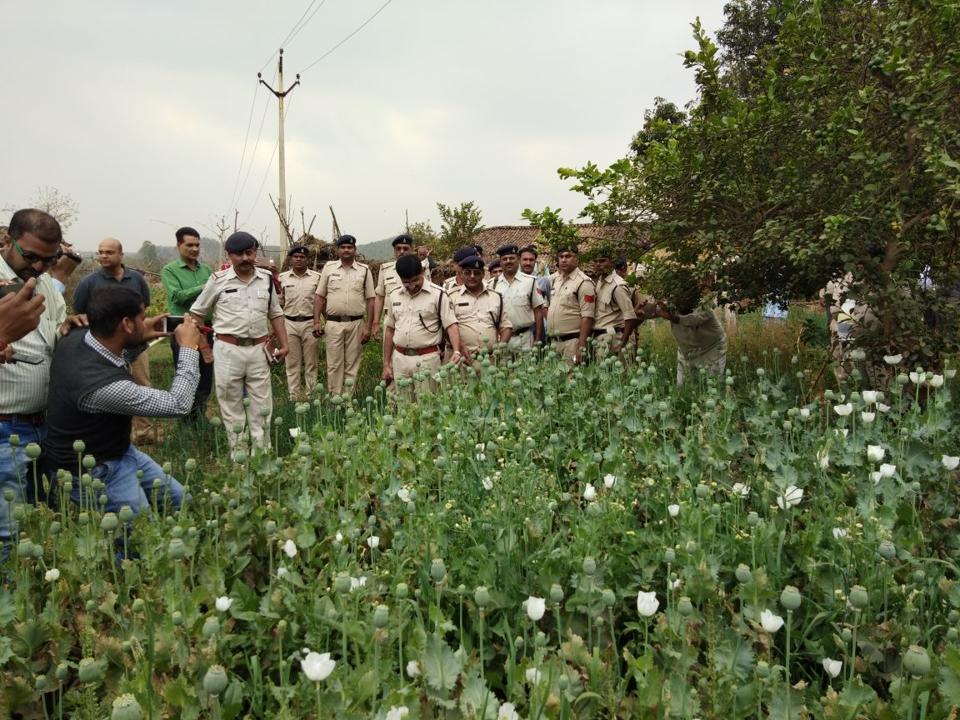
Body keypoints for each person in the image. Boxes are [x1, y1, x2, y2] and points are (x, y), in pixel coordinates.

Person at [45, 287, 201, 517]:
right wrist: (189, 348)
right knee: (140, 529)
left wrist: (139, 339)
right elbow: (178, 404)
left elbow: (110, 358)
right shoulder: (102, 387)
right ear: (127, 324)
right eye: (141, 318)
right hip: (94, 470)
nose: (146, 322)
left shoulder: (77, 336)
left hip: (117, 450)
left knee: (181, 503)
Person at [0, 209, 85, 556]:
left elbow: (51, 334)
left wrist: (66, 329)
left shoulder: (47, 284)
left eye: (48, 260)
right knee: (7, 529)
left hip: (43, 425)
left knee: (42, 515)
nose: (37, 267)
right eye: (30, 256)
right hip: (5, 430)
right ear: (8, 240)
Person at [189, 231, 289, 452]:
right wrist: (204, 347)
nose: (244, 258)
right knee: (231, 404)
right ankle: (239, 457)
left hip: (259, 350)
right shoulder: (218, 280)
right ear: (229, 255)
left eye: (249, 253)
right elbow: (196, 314)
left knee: (262, 405)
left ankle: (262, 455)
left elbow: (275, 313)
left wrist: (284, 344)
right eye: (238, 254)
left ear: (255, 253)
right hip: (227, 350)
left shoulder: (266, 279)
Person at [72, 238, 152, 387]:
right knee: (109, 387)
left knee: (142, 386)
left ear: (121, 255)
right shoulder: (88, 283)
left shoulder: (136, 279)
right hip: (103, 349)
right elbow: (79, 314)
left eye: (109, 252)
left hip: (135, 346)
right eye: (101, 252)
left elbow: (144, 308)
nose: (103, 256)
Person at [382, 254, 463, 398]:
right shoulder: (394, 295)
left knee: (428, 403)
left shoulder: (438, 294)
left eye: (415, 280)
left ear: (423, 272)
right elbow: (389, 330)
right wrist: (386, 364)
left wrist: (456, 351)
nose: (411, 285)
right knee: (403, 405)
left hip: (427, 359)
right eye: (406, 282)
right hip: (400, 359)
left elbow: (451, 325)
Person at [161, 226, 214, 421]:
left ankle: (199, 418)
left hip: (205, 328)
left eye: (197, 245)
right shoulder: (170, 270)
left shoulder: (206, 269)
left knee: (206, 375)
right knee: (187, 373)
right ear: (178, 245)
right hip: (183, 329)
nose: (194, 249)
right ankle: (186, 420)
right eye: (189, 245)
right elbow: (177, 297)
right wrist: (205, 286)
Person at [315, 234, 376, 396]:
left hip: (356, 323)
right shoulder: (329, 268)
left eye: (350, 247)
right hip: (333, 323)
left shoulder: (364, 270)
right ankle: (335, 398)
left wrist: (368, 327)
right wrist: (316, 322)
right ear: (337, 250)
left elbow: (371, 299)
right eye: (343, 247)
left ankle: (348, 399)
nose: (346, 250)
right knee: (334, 364)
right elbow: (319, 296)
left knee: (352, 364)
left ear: (355, 250)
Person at [654, 286, 727, 384]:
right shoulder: (672, 307)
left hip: (712, 350)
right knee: (683, 387)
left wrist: (672, 317)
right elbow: (653, 311)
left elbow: (694, 319)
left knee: (713, 385)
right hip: (687, 352)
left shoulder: (704, 307)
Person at [279, 245, 321, 401]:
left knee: (311, 363)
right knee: (292, 363)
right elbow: (279, 304)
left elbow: (321, 302)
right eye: (295, 257)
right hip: (289, 323)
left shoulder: (316, 278)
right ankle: (294, 396)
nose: (299, 259)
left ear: (307, 260)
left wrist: (320, 323)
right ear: (290, 259)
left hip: (310, 322)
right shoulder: (282, 278)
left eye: (302, 257)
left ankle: (312, 395)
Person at [451, 255, 512, 359]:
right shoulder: (451, 297)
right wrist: (460, 346)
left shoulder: (496, 297)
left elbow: (506, 326)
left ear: (483, 274)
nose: (472, 276)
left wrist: (499, 348)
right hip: (463, 359)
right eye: (467, 273)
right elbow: (447, 328)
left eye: (476, 273)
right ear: (461, 274)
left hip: (491, 358)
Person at [546, 244, 595, 364]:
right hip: (554, 342)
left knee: (571, 375)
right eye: (561, 256)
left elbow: (587, 317)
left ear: (576, 259)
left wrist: (581, 347)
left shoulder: (583, 282)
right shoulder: (555, 281)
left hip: (572, 342)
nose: (563, 260)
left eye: (568, 256)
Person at [491, 243, 545, 348]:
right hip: (501, 340)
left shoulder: (530, 282)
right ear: (500, 262)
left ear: (518, 259)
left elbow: (538, 312)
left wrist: (537, 340)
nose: (508, 261)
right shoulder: (492, 284)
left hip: (525, 339)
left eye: (512, 258)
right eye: (504, 259)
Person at [592, 251, 639, 357]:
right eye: (595, 261)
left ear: (611, 262)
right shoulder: (600, 282)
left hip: (616, 338)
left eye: (602, 261)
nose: (598, 264)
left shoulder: (618, 286)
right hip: (601, 338)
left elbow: (630, 317)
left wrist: (622, 343)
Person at [372, 234, 414, 340]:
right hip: (390, 320)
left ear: (412, 249)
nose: (402, 251)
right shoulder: (386, 270)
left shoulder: (420, 269)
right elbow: (380, 297)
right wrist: (376, 322)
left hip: (413, 319)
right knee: (388, 349)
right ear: (394, 251)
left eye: (405, 248)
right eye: (398, 249)